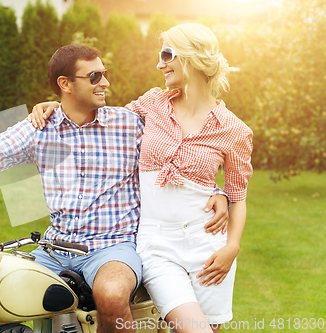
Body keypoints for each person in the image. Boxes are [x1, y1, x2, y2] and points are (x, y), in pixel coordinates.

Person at [0, 44, 229, 333]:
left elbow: (176, 152)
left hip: (113, 248)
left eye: (104, 73)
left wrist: (215, 191)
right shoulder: (41, 127)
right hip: (53, 248)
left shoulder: (128, 123)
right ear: (65, 83)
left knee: (111, 294)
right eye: (94, 76)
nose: (105, 82)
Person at [29, 24, 252, 333]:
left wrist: (232, 247)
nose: (159, 64)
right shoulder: (153, 104)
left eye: (166, 54)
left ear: (192, 57)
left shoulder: (234, 130)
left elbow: (238, 196)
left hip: (208, 248)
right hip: (157, 243)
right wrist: (62, 106)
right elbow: (104, 123)